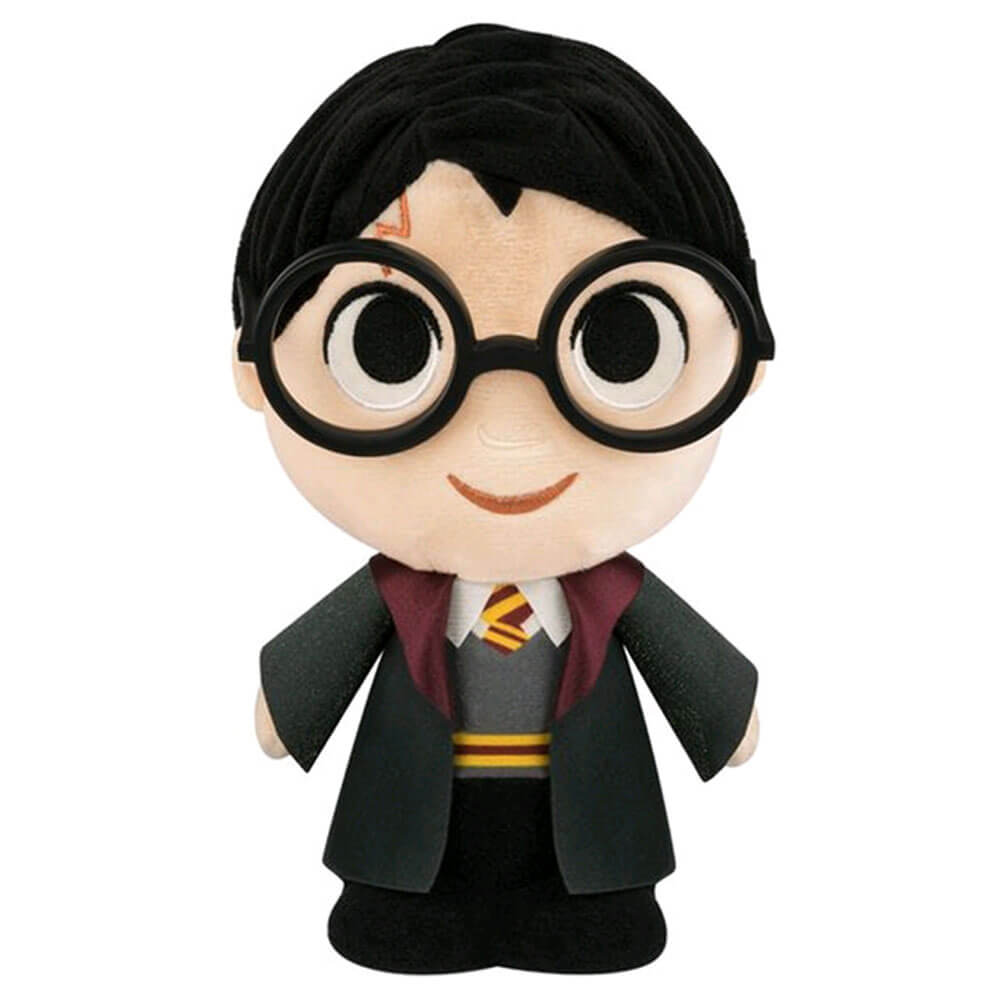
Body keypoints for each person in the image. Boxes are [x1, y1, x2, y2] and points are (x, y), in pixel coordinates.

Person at [232, 24, 773, 974]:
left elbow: (696, 672)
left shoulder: (613, 592)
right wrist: (286, 703)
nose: (505, 432)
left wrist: (726, 716)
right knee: (402, 923)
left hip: (586, 829)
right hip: (416, 826)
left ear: (740, 361)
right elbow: (308, 677)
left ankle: (585, 907)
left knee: (595, 924)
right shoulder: (397, 594)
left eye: (624, 342)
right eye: (390, 343)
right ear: (258, 370)